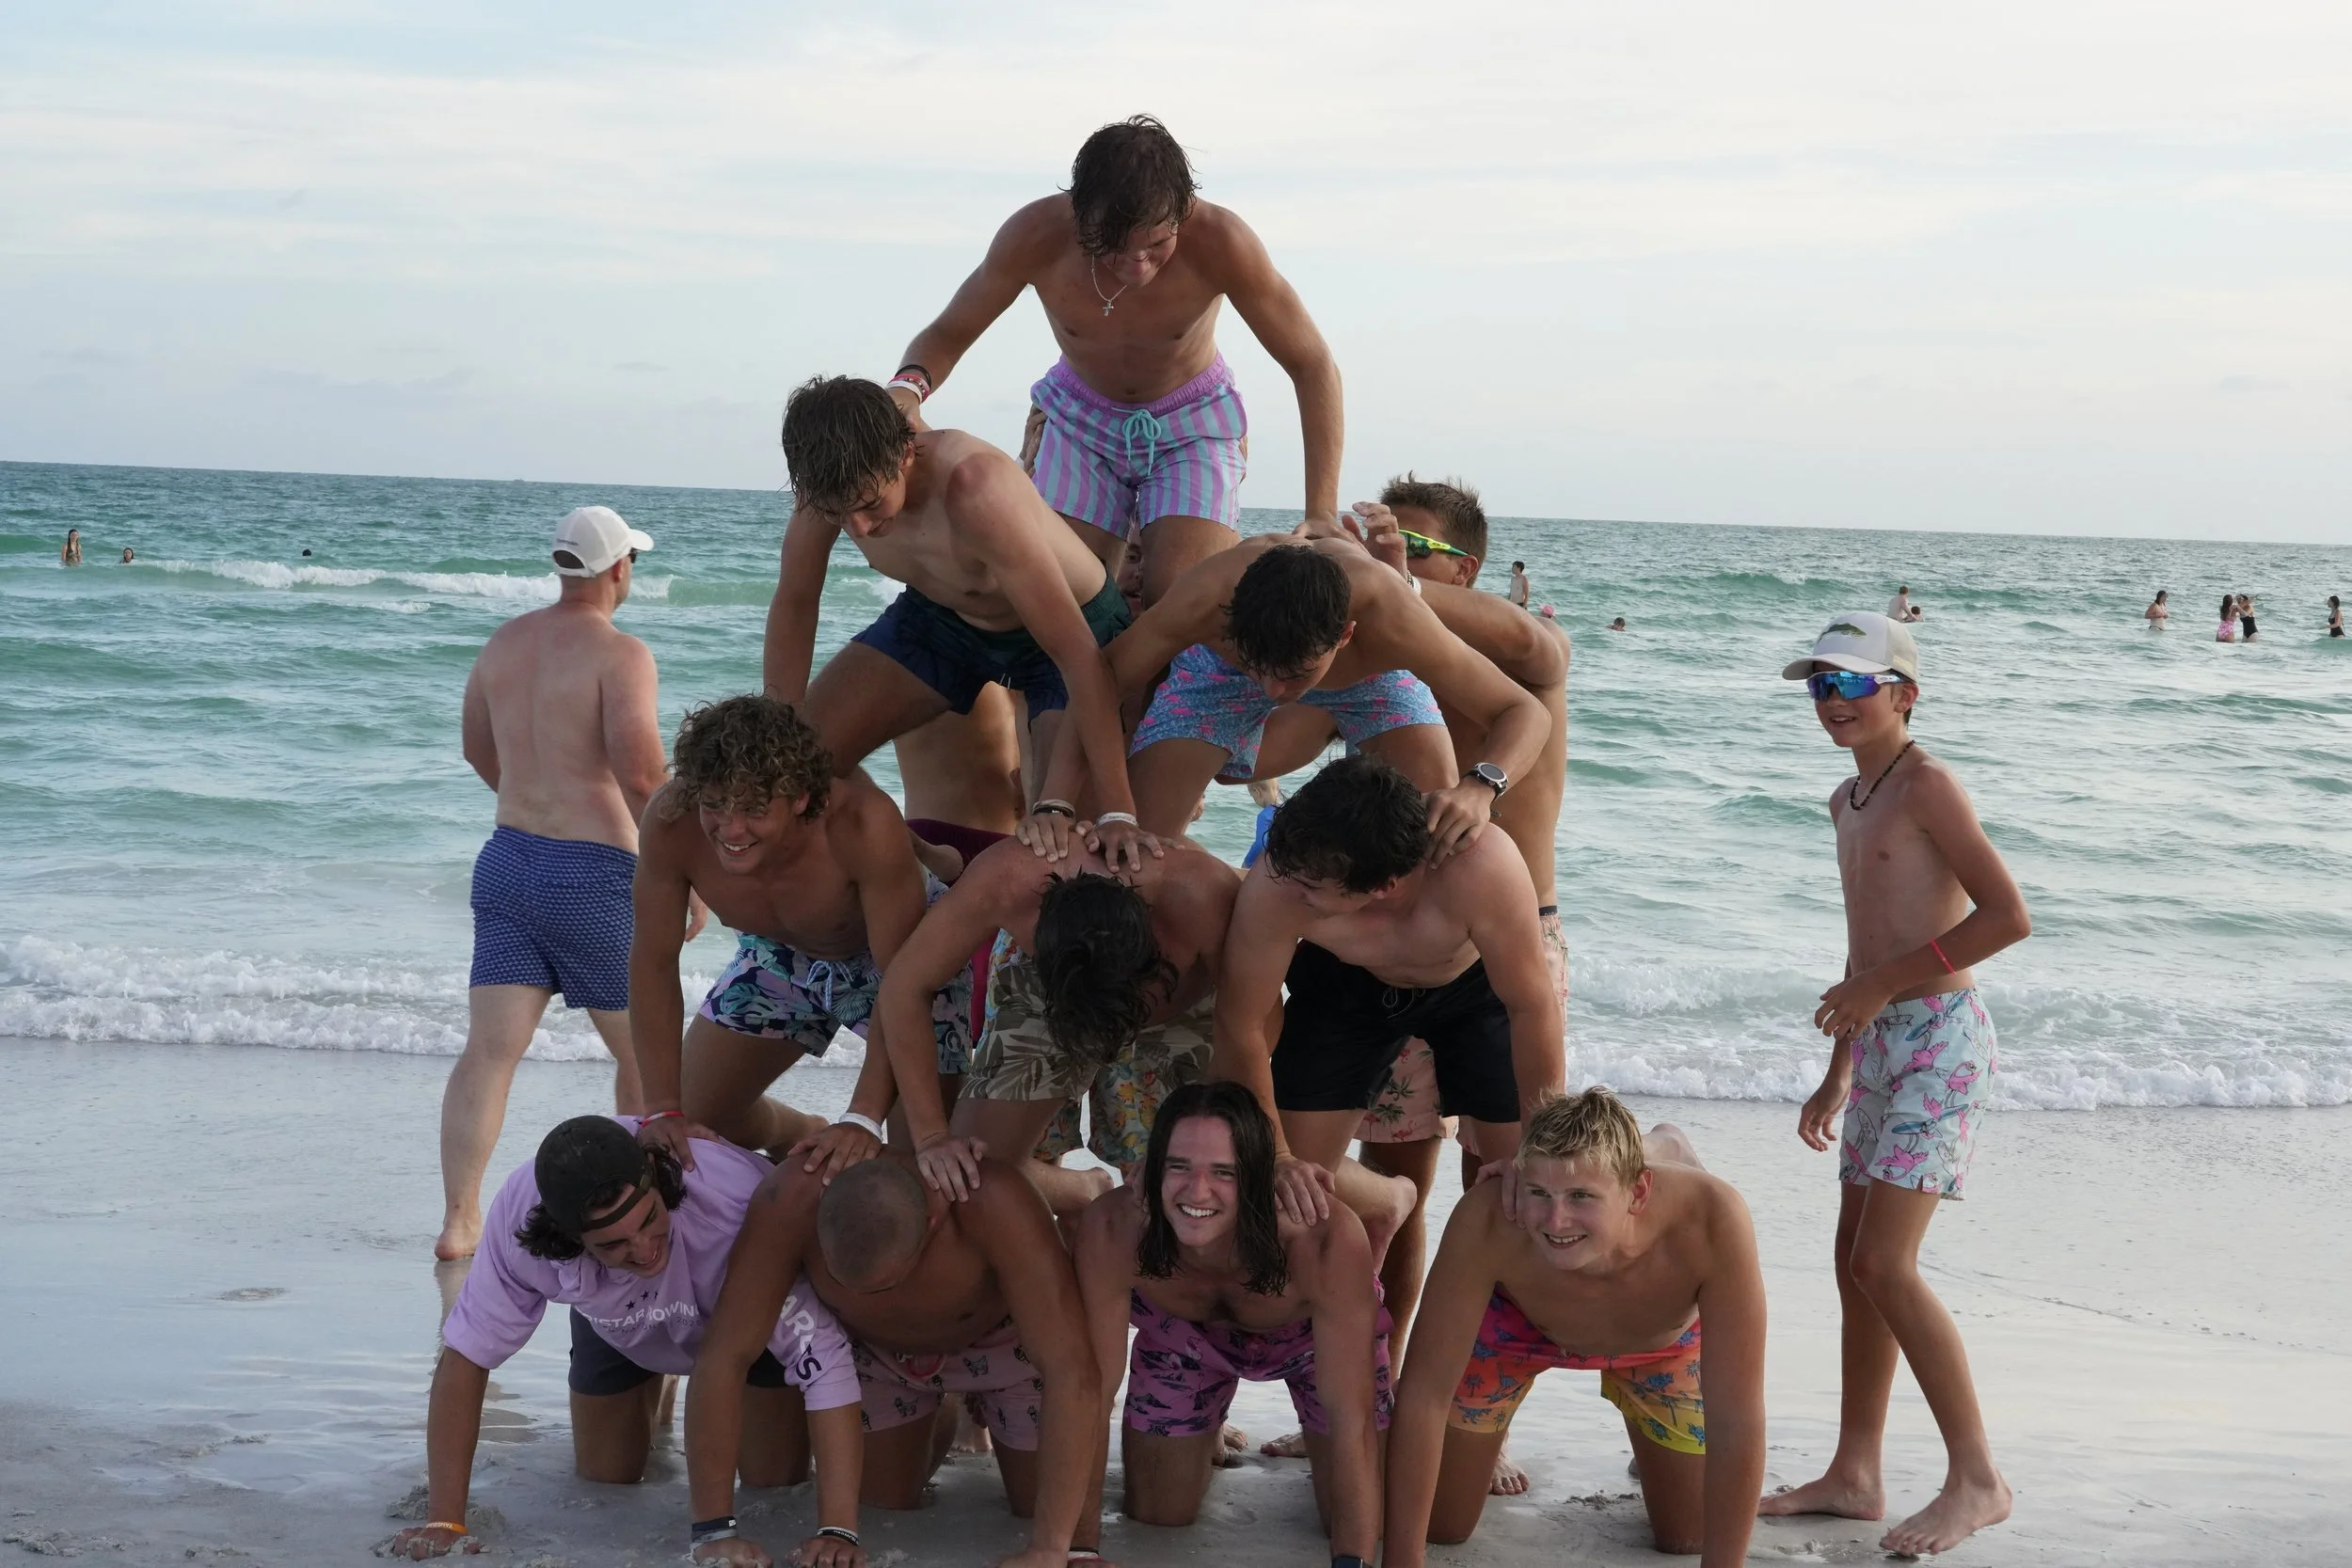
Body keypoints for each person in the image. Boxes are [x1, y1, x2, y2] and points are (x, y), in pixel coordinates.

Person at [1757, 611, 2029, 1556]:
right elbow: (1863, 942)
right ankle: (1855, 1471)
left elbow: (2007, 916)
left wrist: (1881, 987)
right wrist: (1838, 1067)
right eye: (1818, 685)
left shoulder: (1927, 785)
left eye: (1848, 684)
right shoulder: (1847, 798)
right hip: (1876, 1046)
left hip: (1941, 1043)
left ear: (1903, 694)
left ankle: (1978, 1478)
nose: (1829, 701)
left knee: (1884, 1263)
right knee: (1851, 1259)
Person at [885, 114, 1343, 606]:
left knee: (1179, 602)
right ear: (1078, 215)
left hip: (1192, 423)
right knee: (1069, 598)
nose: (1137, 265)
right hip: (1081, 420)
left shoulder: (1223, 241)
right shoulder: (1034, 235)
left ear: (1183, 212)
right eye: (1112, 248)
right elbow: (949, 333)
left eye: (1157, 245)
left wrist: (1321, 509)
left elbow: (1311, 363)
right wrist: (907, 390)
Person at [383, 1117, 865, 1565]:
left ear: (660, 1182)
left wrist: (839, 1532)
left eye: (649, 1219)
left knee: (773, 1481)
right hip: (621, 1323)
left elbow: (825, 1361)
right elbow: (466, 1357)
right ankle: (658, 1375)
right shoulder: (519, 1218)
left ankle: (788, 1126)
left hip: (745, 1325)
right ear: (567, 1240)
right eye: (612, 1243)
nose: (644, 1249)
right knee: (607, 1476)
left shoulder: (734, 1209)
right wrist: (444, 1521)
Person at [1216, 754, 1565, 1275]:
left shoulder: (1479, 865)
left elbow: (1530, 1005)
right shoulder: (1279, 878)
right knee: (1284, 1199)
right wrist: (1280, 1157)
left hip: (1472, 990)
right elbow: (1240, 1024)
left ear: (1382, 888)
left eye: (1311, 887)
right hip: (1344, 987)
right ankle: (1384, 1205)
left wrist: (1541, 1147)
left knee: (1525, 1192)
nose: (1290, 889)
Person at [1384, 1089, 1766, 1566]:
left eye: (1580, 1196)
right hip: (1517, 1327)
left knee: (1692, 1536)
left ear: (1638, 1192)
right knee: (1441, 1525)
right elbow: (1425, 1394)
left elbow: (1737, 1417)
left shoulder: (1712, 1215)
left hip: (1660, 1342)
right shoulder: (1489, 1214)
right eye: (1539, 1193)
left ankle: (1662, 1142)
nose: (1555, 1221)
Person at [764, 375, 1139, 855]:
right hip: (942, 619)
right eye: (840, 515)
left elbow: (1078, 655)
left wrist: (1117, 812)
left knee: (1062, 840)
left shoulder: (974, 486)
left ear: (906, 453)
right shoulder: (828, 492)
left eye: (870, 505)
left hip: (1073, 630)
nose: (858, 528)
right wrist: (777, 721)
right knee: (789, 766)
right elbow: (796, 603)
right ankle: (930, 864)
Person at [437, 506, 673, 1260]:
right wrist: (686, 877)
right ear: (618, 568)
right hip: (594, 874)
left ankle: (460, 1221)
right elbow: (642, 775)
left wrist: (533, 800)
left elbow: (477, 748)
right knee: (644, 1058)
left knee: (488, 1053)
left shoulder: (504, 642)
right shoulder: (621, 653)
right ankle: (648, 1204)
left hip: (507, 861)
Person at [685, 1154, 1103, 1568]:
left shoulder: (992, 1199)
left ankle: (1081, 1185)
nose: (870, 1299)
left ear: (932, 1223)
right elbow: (725, 1352)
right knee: (885, 1505)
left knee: (1036, 1507)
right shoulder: (792, 1196)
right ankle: (942, 1409)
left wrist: (1057, 1549)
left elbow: (1072, 1369)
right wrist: (714, 1531)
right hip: (880, 1354)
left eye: (885, 1286)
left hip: (1001, 1346)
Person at [1029, 535, 1548, 859]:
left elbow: (1523, 710)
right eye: (1262, 670)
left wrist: (1481, 787)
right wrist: (1055, 801)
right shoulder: (1209, 597)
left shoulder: (1389, 615)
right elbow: (1099, 683)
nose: (1273, 692)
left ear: (1346, 635)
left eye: (1292, 677)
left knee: (1439, 839)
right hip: (1221, 677)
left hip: (1371, 680)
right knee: (1131, 849)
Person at [626, 695, 971, 1180]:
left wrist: (862, 1116)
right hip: (779, 954)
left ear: (802, 798)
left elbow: (903, 983)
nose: (731, 829)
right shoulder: (670, 821)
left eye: (754, 809)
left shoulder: (862, 824)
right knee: (693, 1122)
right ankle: (795, 1133)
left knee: (920, 1162)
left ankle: (1064, 1189)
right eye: (715, 804)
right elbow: (653, 963)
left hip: (903, 960)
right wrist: (661, 1108)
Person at [1070, 1082, 1387, 1561]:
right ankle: (1207, 1426)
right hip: (1181, 1335)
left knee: (1361, 1520)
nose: (1197, 1191)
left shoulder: (1322, 1238)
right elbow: (1089, 1392)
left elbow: (1352, 1417)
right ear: (1149, 1169)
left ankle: (1392, 1195)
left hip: (1309, 1343)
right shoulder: (1114, 1227)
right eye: (1178, 1166)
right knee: (1158, 1511)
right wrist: (1080, 1551)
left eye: (1225, 1172)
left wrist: (1351, 1562)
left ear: (1258, 1177)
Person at [875, 832, 1238, 1215]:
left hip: (1180, 1004)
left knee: (1181, 1191)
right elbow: (903, 986)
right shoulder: (1010, 876)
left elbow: (1251, 1027)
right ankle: (1084, 1191)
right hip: (1055, 993)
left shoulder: (1203, 895)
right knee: (965, 1179)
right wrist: (931, 1136)